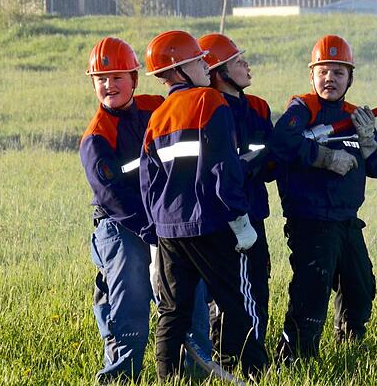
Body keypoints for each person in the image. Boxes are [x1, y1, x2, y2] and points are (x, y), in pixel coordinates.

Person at [140, 30, 268, 381]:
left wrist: (155, 230)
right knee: (236, 303)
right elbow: (223, 167)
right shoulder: (210, 103)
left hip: (168, 231)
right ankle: (252, 374)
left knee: (172, 313)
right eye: (199, 61)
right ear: (181, 68)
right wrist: (240, 218)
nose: (205, 66)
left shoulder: (158, 116)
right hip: (209, 226)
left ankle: (168, 378)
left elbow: (148, 181)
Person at [268, 35, 377, 363]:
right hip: (310, 219)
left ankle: (350, 347)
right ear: (312, 76)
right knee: (312, 289)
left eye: (338, 72)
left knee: (360, 286)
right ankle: (295, 357)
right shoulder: (302, 109)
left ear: (350, 78)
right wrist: (324, 157)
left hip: (347, 220)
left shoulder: (356, 117)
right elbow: (281, 143)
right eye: (323, 71)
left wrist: (369, 142)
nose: (330, 79)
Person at [79, 37, 162, 383]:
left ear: (134, 79)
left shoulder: (155, 107)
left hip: (159, 221)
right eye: (102, 79)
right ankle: (119, 375)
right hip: (120, 226)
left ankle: (186, 370)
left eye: (117, 78)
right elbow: (113, 198)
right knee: (130, 300)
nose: (109, 86)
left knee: (184, 293)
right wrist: (152, 232)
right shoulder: (96, 137)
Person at [198, 33, 274, 369]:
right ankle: (241, 364)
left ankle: (246, 357)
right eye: (237, 61)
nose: (246, 65)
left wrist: (253, 163)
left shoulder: (257, 106)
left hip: (254, 212)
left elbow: (270, 160)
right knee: (233, 293)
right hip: (224, 217)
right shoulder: (208, 108)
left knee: (256, 287)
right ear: (218, 71)